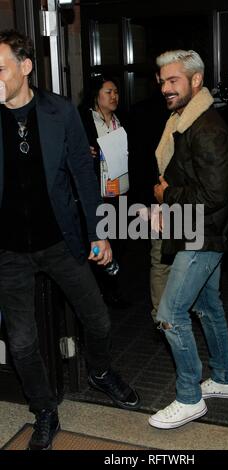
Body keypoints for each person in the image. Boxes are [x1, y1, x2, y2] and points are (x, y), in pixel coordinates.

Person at [0, 29, 140, 451]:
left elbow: (83, 175)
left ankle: (99, 371)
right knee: (21, 341)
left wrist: (100, 232)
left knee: (97, 319)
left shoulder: (60, 113)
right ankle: (44, 409)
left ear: (25, 68)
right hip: (9, 252)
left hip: (61, 241)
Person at [148, 50, 228, 429]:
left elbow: (216, 193)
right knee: (207, 306)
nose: (165, 87)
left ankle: (189, 398)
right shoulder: (184, 120)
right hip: (194, 229)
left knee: (170, 315)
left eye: (173, 81)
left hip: (203, 234)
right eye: (162, 80)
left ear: (196, 81)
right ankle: (225, 377)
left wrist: (167, 195)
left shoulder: (207, 128)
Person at [79, 77, 130, 308]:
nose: (114, 96)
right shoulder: (85, 120)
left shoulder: (121, 121)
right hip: (97, 195)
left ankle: (114, 289)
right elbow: (71, 150)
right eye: (109, 92)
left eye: (116, 92)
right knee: (99, 243)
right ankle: (98, 292)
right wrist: (82, 152)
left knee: (118, 242)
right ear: (96, 95)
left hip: (119, 192)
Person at [127, 88, 170, 324]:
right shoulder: (142, 111)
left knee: (167, 260)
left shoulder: (189, 112)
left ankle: (165, 317)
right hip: (157, 195)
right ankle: (163, 318)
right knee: (161, 258)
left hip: (174, 196)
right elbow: (139, 159)